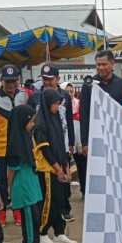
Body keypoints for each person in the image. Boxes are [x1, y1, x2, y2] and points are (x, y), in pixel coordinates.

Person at [79, 50, 122, 194]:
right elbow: (84, 114)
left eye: (104, 64)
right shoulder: (89, 85)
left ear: (112, 64)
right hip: (96, 138)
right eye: (98, 65)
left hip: (117, 138)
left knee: (117, 172)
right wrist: (85, 142)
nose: (100, 68)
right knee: (99, 172)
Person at [6, 105, 51, 243]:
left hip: (31, 186)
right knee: (30, 219)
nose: (33, 124)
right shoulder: (15, 143)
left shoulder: (26, 137)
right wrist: (8, 190)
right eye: (31, 121)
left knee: (35, 217)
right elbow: (11, 171)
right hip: (23, 188)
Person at [33, 89, 78, 243]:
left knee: (60, 201)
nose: (58, 106)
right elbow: (45, 149)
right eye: (55, 103)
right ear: (47, 103)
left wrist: (65, 166)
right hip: (47, 169)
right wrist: (57, 169)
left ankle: (60, 233)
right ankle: (42, 233)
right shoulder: (40, 122)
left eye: (59, 103)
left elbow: (60, 144)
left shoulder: (56, 118)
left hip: (60, 164)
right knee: (48, 202)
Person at [29, 65, 75, 219]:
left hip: (62, 140)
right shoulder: (36, 96)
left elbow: (68, 121)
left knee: (64, 182)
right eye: (44, 79)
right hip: (46, 144)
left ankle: (64, 210)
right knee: (51, 187)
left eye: (50, 79)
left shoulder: (64, 96)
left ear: (58, 78)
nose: (47, 82)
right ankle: (49, 222)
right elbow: (30, 122)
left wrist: (71, 142)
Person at [0, 64, 28, 223]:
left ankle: (18, 212)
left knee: (18, 182)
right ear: (1, 81)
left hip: (19, 147)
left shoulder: (24, 95)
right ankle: (1, 213)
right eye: (7, 82)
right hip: (0, 149)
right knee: (1, 182)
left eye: (14, 81)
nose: (10, 85)